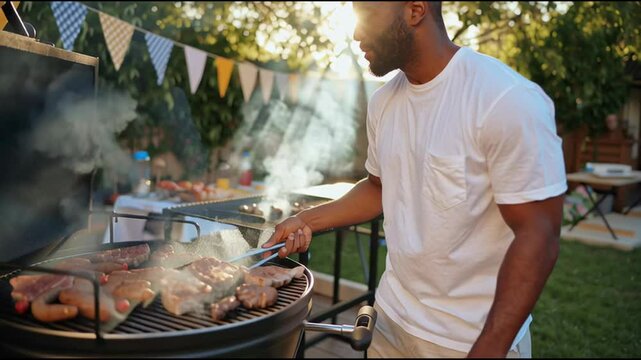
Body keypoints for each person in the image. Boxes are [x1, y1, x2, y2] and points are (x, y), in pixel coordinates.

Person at [262, 1, 566, 358]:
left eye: (367, 16)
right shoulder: (384, 102)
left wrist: (489, 348)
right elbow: (379, 188)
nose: (357, 32)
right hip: (390, 321)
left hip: (469, 340)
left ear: (415, 10)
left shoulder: (505, 100)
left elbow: (539, 235)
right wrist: (306, 220)